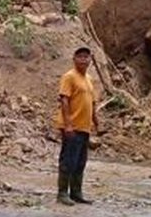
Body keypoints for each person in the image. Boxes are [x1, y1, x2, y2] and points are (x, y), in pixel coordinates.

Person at [54, 46, 98, 206]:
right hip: (72, 126)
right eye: (80, 56)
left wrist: (97, 124)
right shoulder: (69, 77)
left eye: (86, 56)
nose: (83, 59)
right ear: (74, 59)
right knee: (68, 159)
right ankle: (62, 193)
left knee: (80, 161)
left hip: (84, 127)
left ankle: (76, 192)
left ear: (90, 60)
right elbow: (64, 100)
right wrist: (68, 124)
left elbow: (92, 103)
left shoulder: (89, 80)